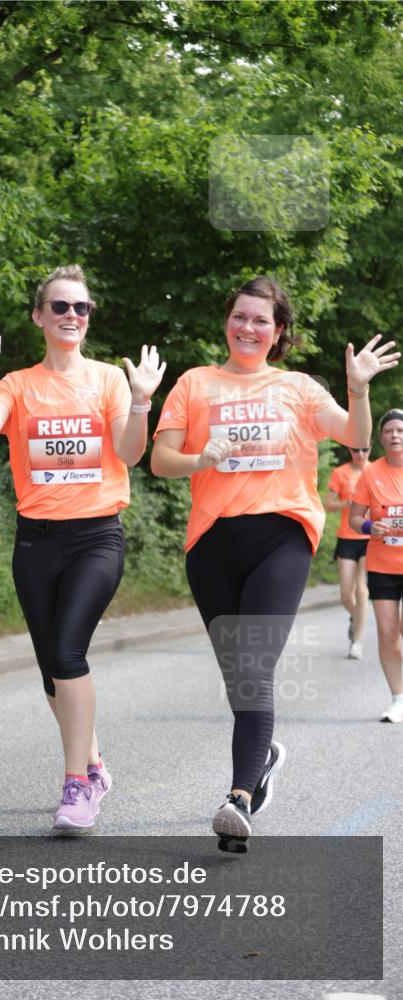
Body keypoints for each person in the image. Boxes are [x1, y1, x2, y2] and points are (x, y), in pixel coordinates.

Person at [151, 276, 399, 852]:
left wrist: (357, 388)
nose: (248, 327)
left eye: (262, 320)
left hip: (282, 537)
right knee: (240, 676)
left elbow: (354, 433)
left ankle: (237, 798)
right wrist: (197, 458)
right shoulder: (195, 384)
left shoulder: (298, 389)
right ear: (227, 321)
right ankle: (263, 759)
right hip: (210, 544)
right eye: (240, 316)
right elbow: (161, 461)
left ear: (278, 331)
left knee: (255, 665)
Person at [0, 264, 165, 833]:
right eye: (61, 307)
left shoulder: (108, 380)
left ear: (89, 318)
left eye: (82, 308)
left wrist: (142, 401)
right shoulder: (17, 384)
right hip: (35, 541)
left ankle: (76, 787)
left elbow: (130, 452)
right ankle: (94, 764)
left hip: (96, 537)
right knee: (52, 671)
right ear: (39, 316)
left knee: (69, 653)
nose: (73, 316)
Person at [350, 409, 403, 723]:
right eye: (389, 431)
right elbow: (355, 518)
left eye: (400, 430)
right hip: (383, 564)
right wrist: (370, 527)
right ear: (380, 437)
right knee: (386, 632)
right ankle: (398, 698)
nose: (395, 436)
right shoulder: (370, 473)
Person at [325, 445, 371, 658]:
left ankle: (356, 643)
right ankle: (357, 617)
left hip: (370, 538)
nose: (360, 454)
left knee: (362, 590)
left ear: (370, 449)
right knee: (346, 595)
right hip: (346, 537)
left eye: (365, 449)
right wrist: (347, 503)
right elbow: (329, 504)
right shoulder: (340, 473)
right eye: (355, 450)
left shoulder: (376, 472)